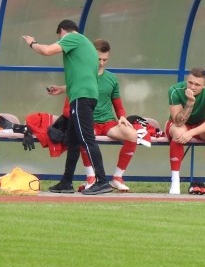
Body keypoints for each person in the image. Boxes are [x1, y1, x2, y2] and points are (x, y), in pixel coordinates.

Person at [22, 19, 112, 194]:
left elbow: (48, 51)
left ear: (62, 31)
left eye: (59, 37)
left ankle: (102, 181)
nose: (60, 41)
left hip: (81, 97)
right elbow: (84, 76)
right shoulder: (87, 47)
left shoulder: (72, 38)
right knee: (73, 141)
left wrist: (32, 43)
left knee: (86, 139)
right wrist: (63, 89)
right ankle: (66, 182)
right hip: (84, 95)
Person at [47, 39, 146, 192]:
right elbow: (69, 106)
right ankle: (91, 177)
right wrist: (65, 94)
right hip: (89, 122)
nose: (101, 62)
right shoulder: (80, 76)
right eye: (98, 58)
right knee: (85, 137)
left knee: (132, 135)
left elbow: (117, 104)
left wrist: (122, 117)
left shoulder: (112, 78)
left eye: (104, 59)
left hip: (108, 122)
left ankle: (117, 177)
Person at [166, 67, 205, 195]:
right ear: (187, 80)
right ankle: (175, 181)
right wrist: (190, 102)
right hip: (179, 123)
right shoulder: (174, 90)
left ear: (204, 85)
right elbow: (179, 122)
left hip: (201, 124)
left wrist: (191, 133)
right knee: (178, 132)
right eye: (190, 82)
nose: (193, 87)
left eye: (197, 84)